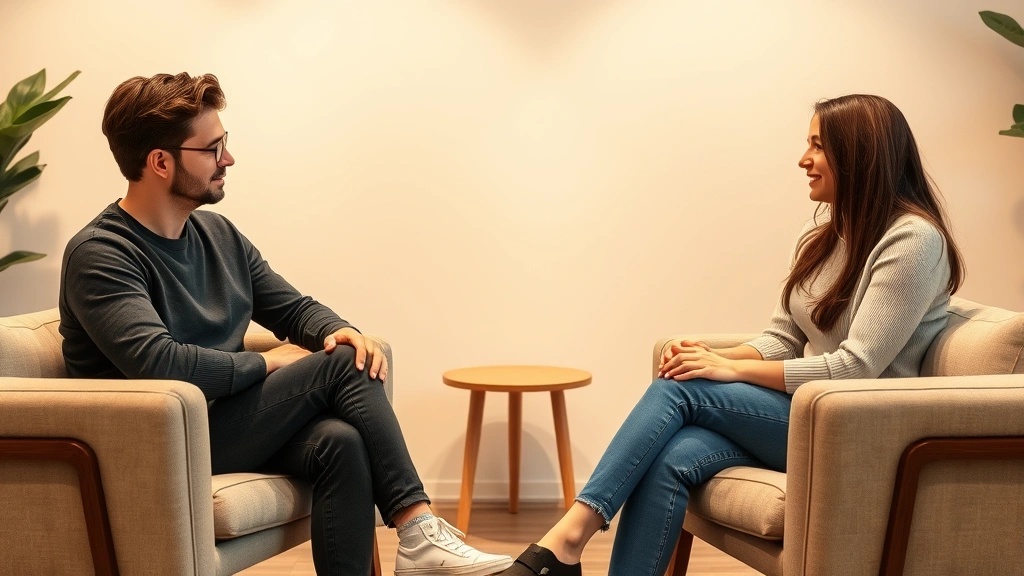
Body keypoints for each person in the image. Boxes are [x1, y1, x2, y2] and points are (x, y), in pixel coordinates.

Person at [59, 72, 514, 576]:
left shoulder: (216, 233)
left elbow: (293, 308)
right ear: (161, 162)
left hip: (218, 420)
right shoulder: (101, 254)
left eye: (225, 144)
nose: (227, 159)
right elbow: (157, 362)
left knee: (340, 437)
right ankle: (416, 529)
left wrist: (338, 329)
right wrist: (263, 363)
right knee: (342, 365)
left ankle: (414, 541)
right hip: (156, 436)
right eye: (212, 148)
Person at [497, 94, 965, 576]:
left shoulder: (913, 240)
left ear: (860, 155)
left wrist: (728, 367)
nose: (803, 160)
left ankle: (567, 539)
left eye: (817, 146)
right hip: (806, 413)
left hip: (858, 427)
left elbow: (856, 367)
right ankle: (573, 548)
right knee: (674, 455)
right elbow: (783, 336)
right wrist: (711, 355)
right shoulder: (820, 234)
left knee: (682, 391)